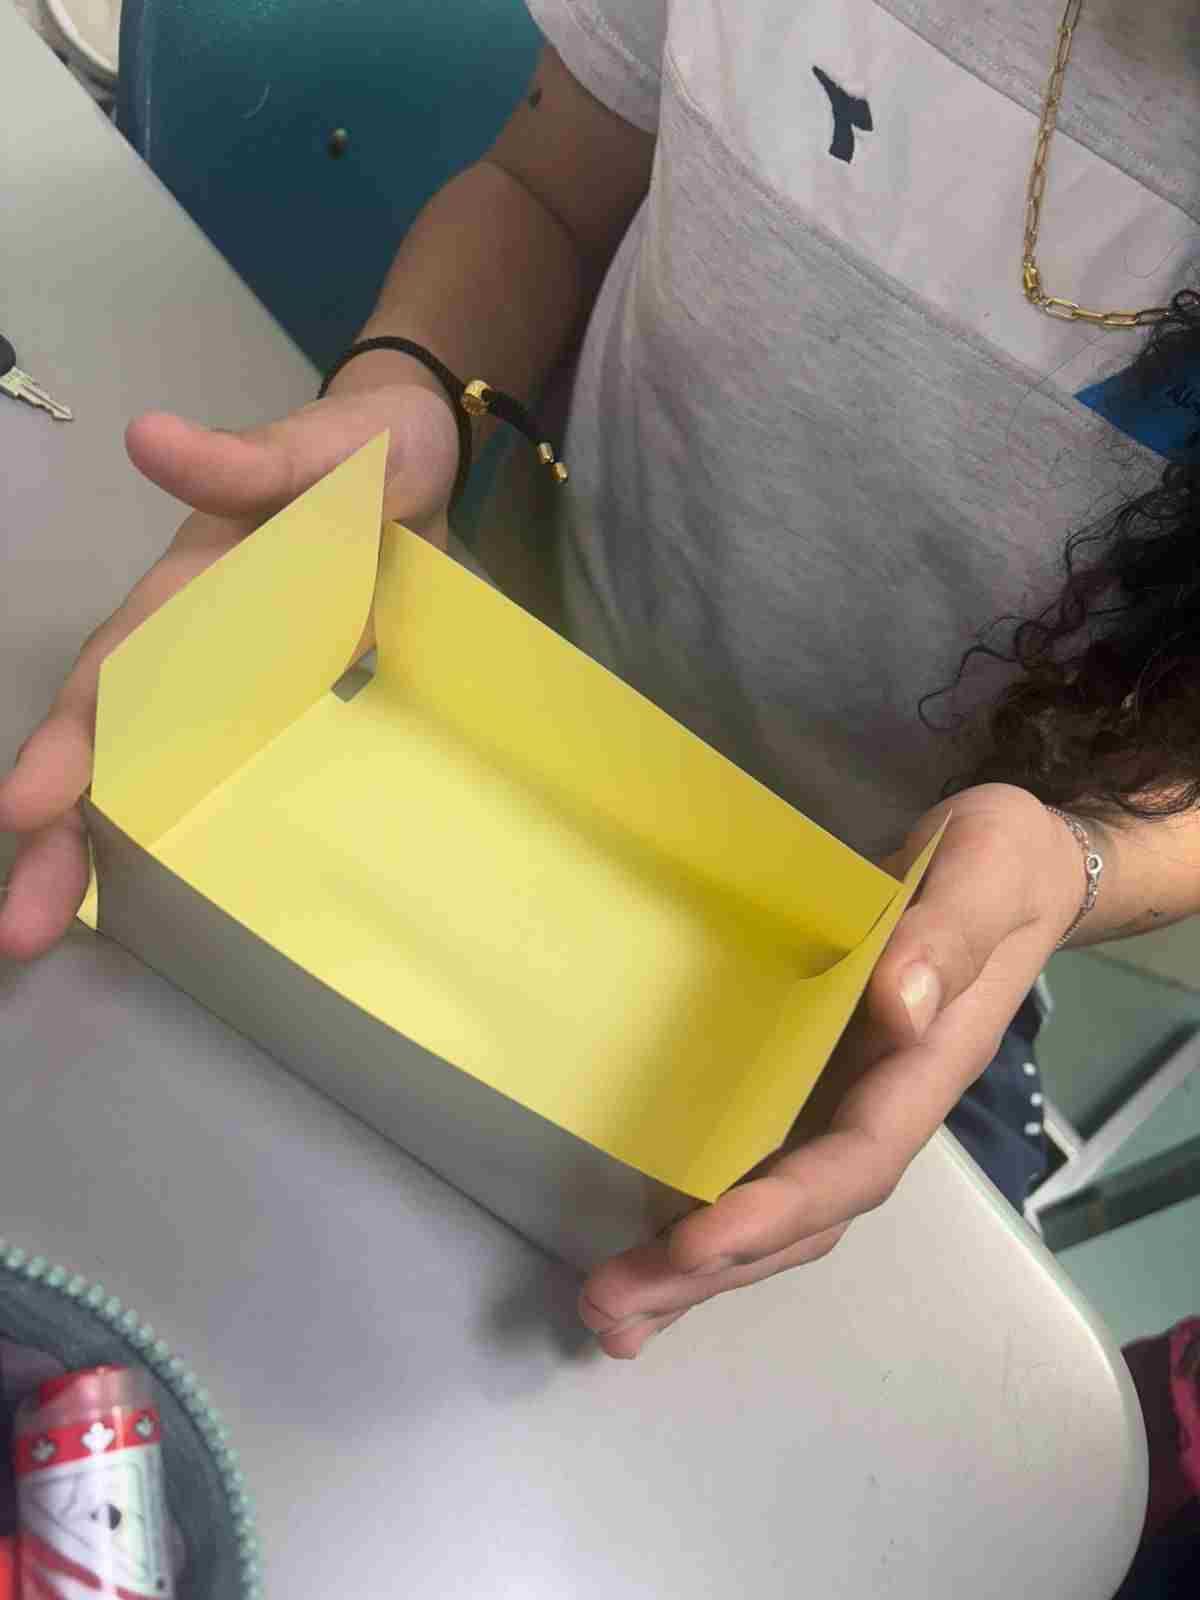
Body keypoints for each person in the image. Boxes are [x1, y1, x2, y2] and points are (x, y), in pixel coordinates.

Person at [2, 0, 1199, 1362]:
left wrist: (1082, 863)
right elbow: (543, 189)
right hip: (484, 674)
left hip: (901, 936)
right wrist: (407, 387)